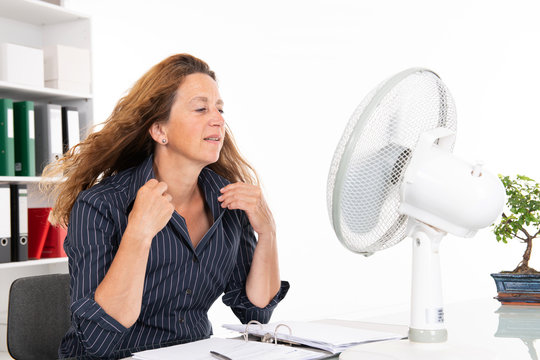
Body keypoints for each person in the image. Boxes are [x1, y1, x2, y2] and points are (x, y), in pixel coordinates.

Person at [42, 54, 289, 359]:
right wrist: (138, 233)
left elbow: (255, 313)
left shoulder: (229, 201)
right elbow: (97, 340)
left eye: (220, 109)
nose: (218, 119)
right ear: (160, 131)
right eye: (201, 108)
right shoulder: (101, 204)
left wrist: (268, 232)